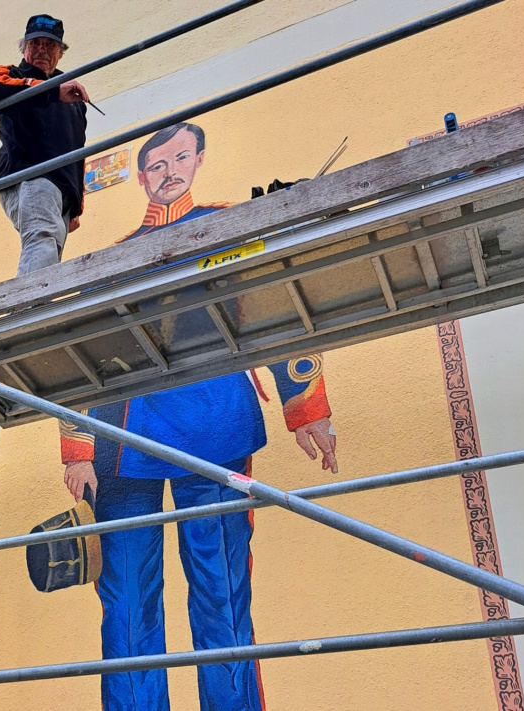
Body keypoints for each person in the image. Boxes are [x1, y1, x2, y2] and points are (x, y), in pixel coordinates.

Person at [59, 123, 338, 711]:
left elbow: (276, 307)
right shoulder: (116, 258)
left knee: (221, 592)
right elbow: (80, 355)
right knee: (129, 604)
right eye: (156, 165)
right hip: (121, 441)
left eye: (179, 158)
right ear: (140, 177)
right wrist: (77, 447)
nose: (169, 172)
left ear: (198, 159)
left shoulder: (227, 225)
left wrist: (305, 404)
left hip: (213, 424)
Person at [0, 14, 88, 276]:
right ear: (24, 48)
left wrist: (77, 202)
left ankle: (39, 310)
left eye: (50, 45)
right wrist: (50, 90)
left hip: (62, 190)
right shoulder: (12, 75)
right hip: (30, 176)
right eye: (35, 44)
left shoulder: (71, 92)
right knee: (42, 241)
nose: (42, 50)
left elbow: (77, 148)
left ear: (60, 53)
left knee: (51, 252)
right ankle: (27, 313)